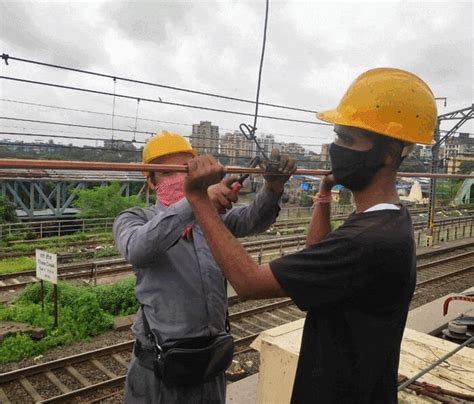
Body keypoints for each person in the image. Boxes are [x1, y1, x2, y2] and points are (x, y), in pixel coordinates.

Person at [183, 68, 437, 403]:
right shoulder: (386, 219)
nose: (335, 148)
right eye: (336, 137)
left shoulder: (369, 240)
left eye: (347, 140)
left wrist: (198, 198)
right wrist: (324, 193)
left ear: (388, 153)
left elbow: (249, 282)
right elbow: (317, 249)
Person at [113, 130, 295, 404]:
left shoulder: (210, 218)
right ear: (150, 181)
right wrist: (196, 200)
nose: (178, 179)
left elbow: (252, 221)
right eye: (166, 173)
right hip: (159, 369)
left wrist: (273, 189)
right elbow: (138, 249)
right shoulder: (134, 218)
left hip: (211, 363)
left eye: (186, 171)